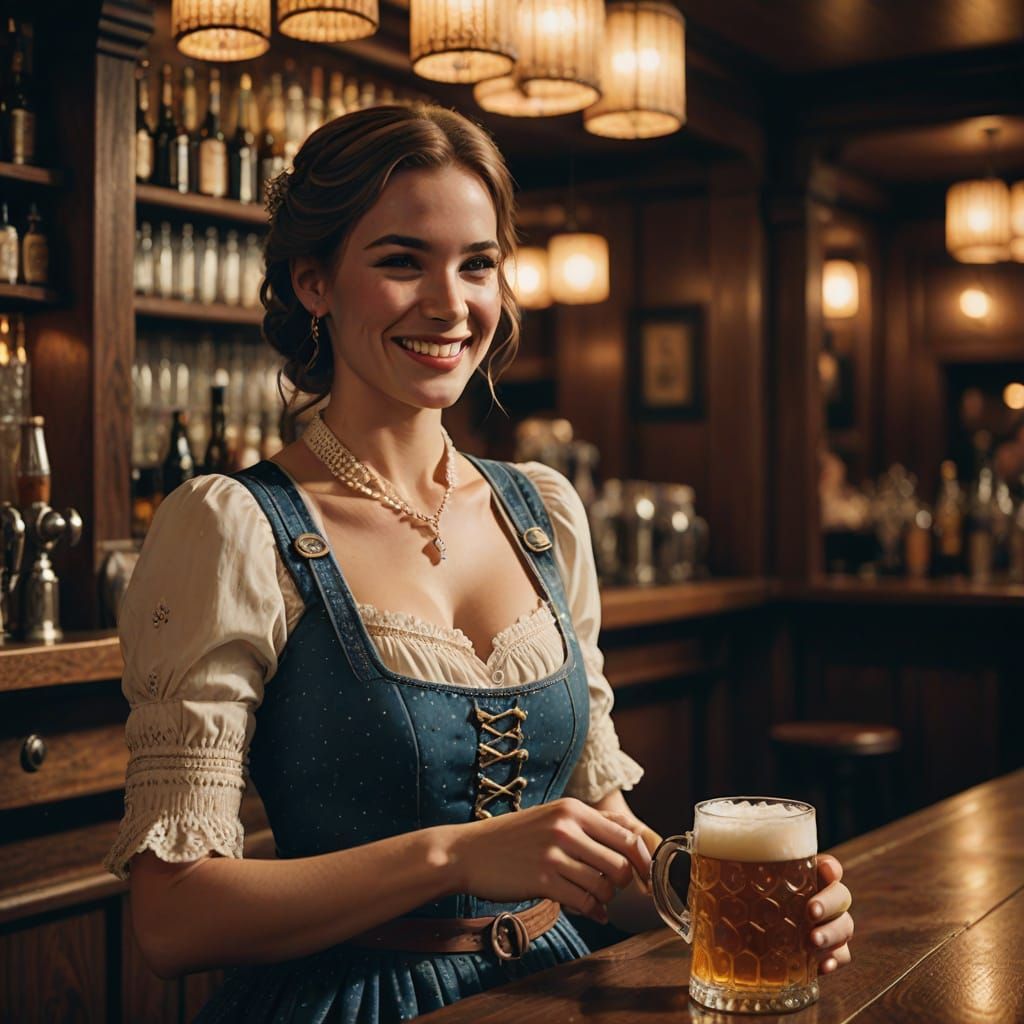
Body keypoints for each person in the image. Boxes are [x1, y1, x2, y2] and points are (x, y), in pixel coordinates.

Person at [103, 104, 854, 1022]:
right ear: (314, 282)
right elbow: (173, 920)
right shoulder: (235, 530)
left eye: (478, 263)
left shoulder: (545, 514)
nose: (450, 304)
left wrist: (730, 907)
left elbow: (602, 849)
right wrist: (452, 856)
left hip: (561, 984)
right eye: (400, 260)